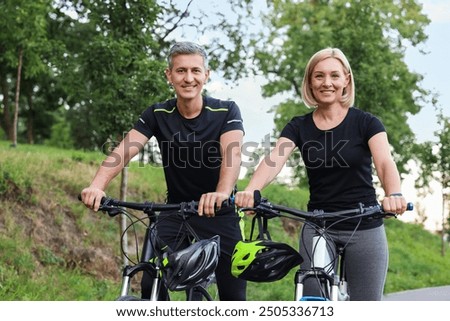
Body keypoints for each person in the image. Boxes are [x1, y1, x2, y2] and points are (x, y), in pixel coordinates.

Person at [235, 47, 407, 301]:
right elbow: (274, 160)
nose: (327, 82)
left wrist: (393, 194)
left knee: (367, 305)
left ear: (346, 80)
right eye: (319, 76)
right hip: (318, 226)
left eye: (334, 76)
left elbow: (384, 162)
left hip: (364, 222)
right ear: (310, 82)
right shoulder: (299, 126)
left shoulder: (367, 123)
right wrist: (251, 190)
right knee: (312, 303)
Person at [80, 41, 246, 301]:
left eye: (195, 71)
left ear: (206, 75)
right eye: (180, 71)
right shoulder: (157, 113)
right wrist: (97, 185)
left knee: (233, 294)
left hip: (219, 210)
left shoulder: (226, 111)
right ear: (169, 75)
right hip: (176, 210)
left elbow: (232, 154)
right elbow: (123, 151)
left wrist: (221, 192)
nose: (188, 78)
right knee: (151, 282)